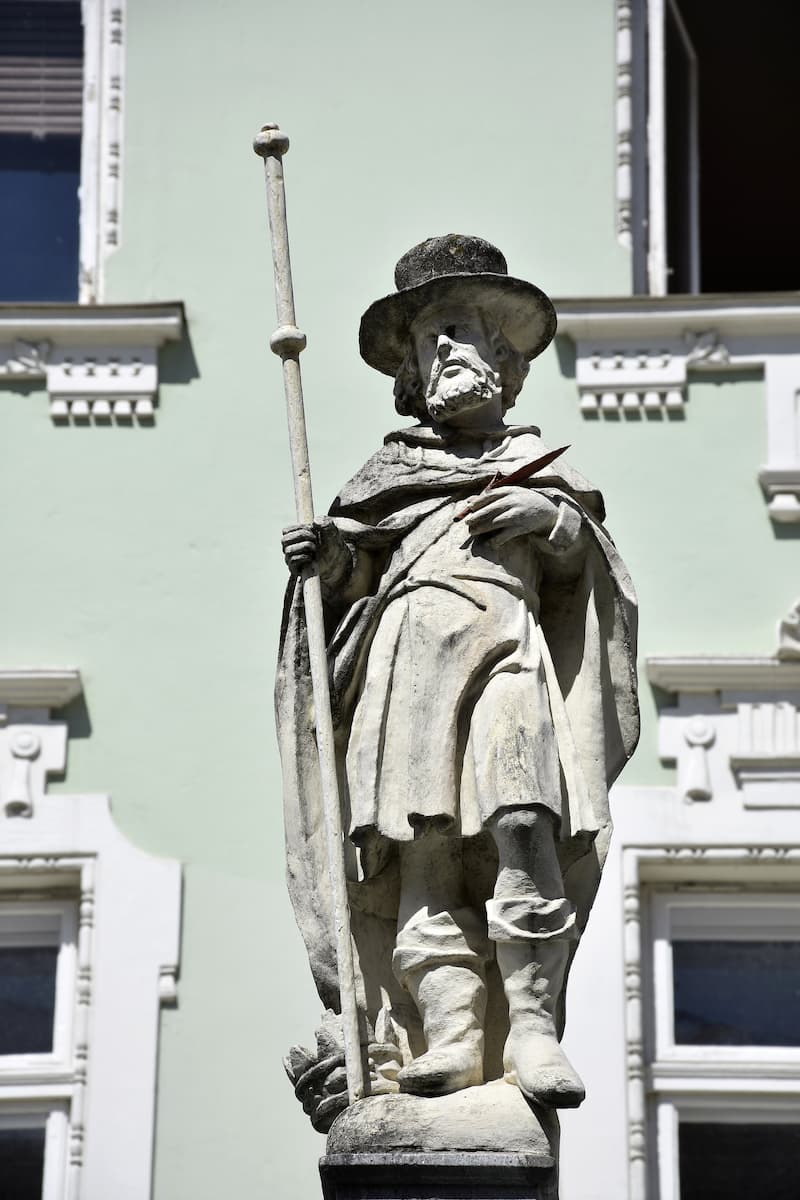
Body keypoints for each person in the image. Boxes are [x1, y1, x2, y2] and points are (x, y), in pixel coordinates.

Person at [277, 235, 639, 1112]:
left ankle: (533, 1027)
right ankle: (450, 1028)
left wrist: (550, 523)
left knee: (524, 820)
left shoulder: (544, 472)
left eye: (460, 329)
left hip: (510, 658)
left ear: (505, 359)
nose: (443, 349)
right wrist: (328, 560)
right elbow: (349, 592)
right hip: (406, 668)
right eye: (428, 336)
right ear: (406, 370)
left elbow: (590, 587)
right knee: (421, 851)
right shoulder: (384, 479)